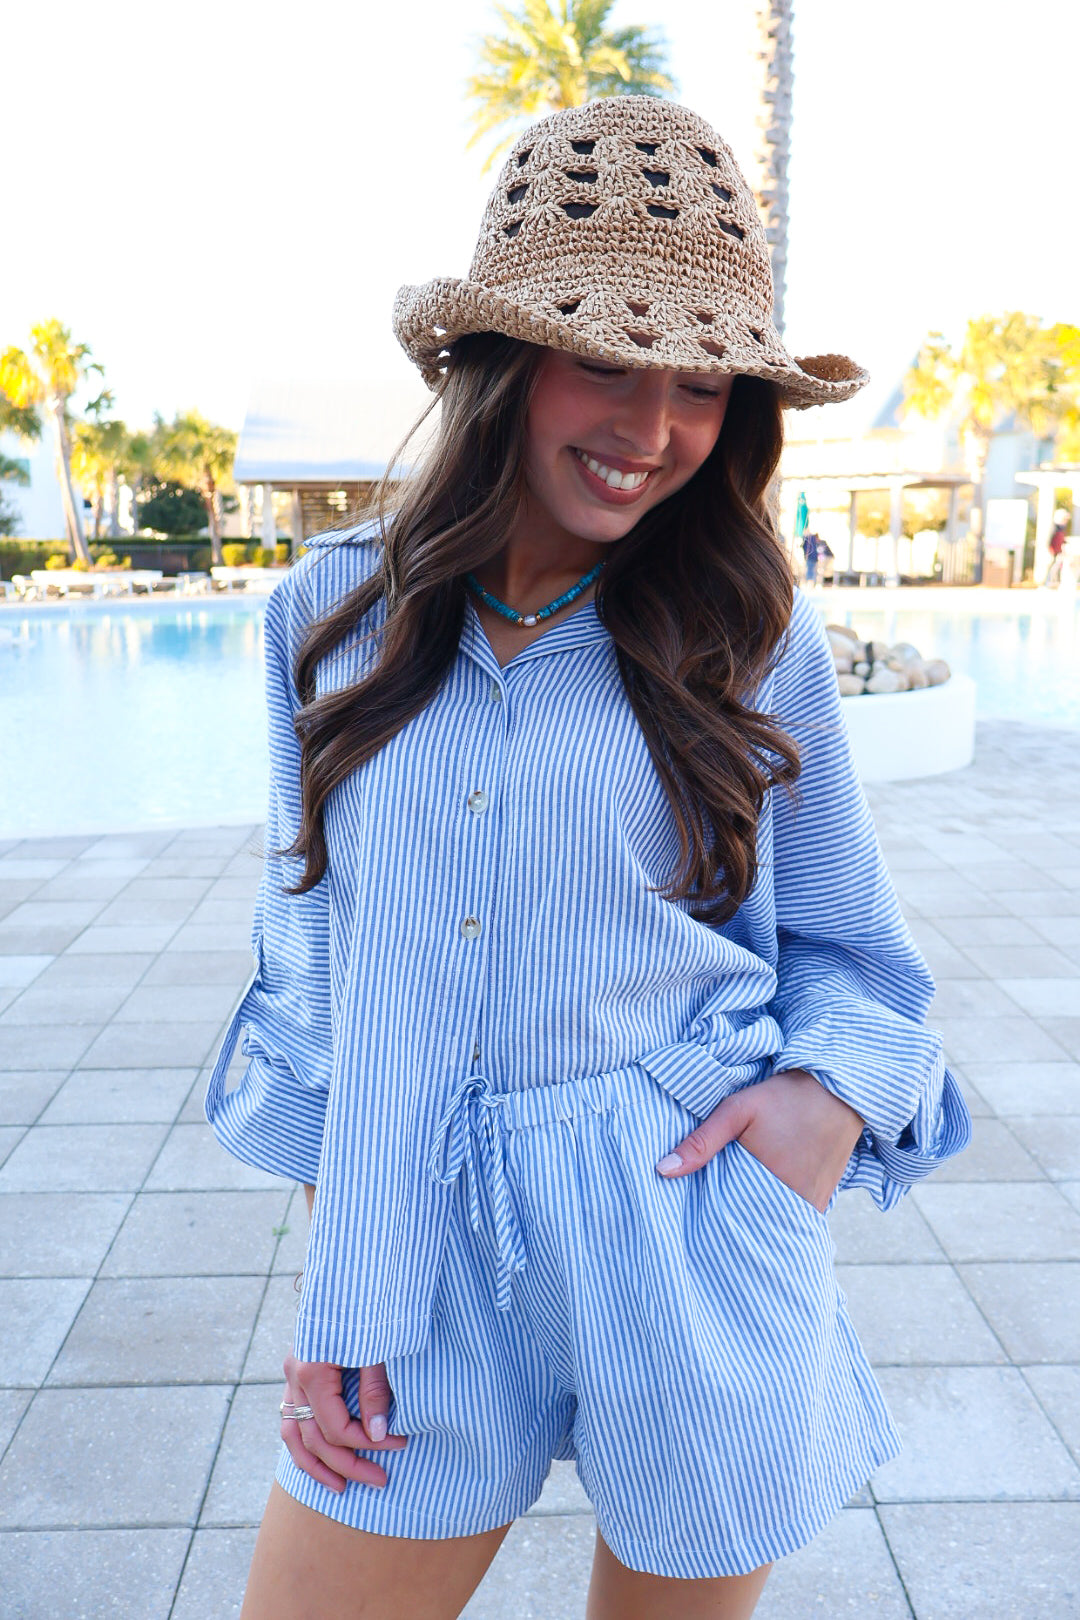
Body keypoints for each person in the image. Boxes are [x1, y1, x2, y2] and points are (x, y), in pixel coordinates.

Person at [206, 95, 970, 1620]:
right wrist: (342, 1274)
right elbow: (317, 982)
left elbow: (853, 947)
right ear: (501, 359)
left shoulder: (749, 633)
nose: (652, 431)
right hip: (420, 1254)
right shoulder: (327, 617)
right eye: (606, 361)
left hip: (690, 1233)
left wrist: (817, 1115)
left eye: (701, 385)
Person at [1044, 509, 1069, 586]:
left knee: (1058, 565)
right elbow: (1049, 539)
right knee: (1053, 566)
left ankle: (1054, 581)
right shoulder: (1054, 527)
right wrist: (1049, 549)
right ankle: (1049, 582)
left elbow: (1061, 538)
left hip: (1058, 551)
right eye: (1064, 519)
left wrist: (1065, 542)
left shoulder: (1062, 528)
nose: (1066, 521)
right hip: (1053, 551)